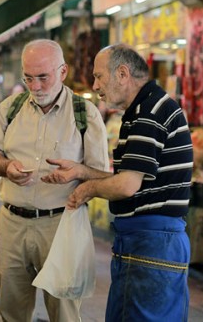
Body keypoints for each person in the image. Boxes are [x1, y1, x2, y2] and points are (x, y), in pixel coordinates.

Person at [42, 44, 193, 321]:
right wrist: (81, 172)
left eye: (99, 76)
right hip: (154, 241)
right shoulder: (145, 108)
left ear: (122, 73)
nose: (95, 85)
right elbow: (131, 179)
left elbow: (126, 186)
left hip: (151, 241)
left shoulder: (149, 112)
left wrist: (87, 189)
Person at [0, 39, 109, 321]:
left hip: (61, 225)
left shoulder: (85, 114)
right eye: (29, 78)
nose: (35, 86)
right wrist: (6, 167)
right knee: (11, 311)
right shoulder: (10, 108)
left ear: (62, 72)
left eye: (43, 77)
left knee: (63, 312)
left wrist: (76, 172)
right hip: (12, 225)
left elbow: (101, 176)